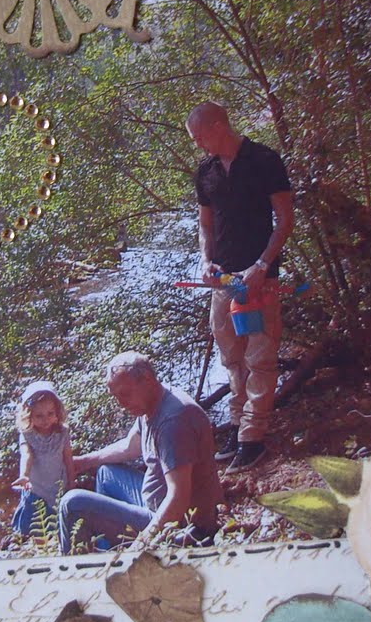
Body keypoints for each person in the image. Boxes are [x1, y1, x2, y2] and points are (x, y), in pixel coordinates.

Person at [187, 102, 294, 471]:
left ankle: (253, 438)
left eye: (200, 136)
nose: (198, 144)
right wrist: (206, 261)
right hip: (224, 282)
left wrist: (262, 265)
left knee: (260, 358)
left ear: (219, 126)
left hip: (261, 279)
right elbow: (205, 225)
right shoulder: (206, 172)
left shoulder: (264, 160)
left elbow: (285, 219)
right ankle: (237, 426)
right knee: (232, 358)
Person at [58, 352, 223, 553]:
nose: (121, 404)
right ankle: (107, 549)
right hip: (154, 501)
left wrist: (141, 544)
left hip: (179, 526)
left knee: (73, 504)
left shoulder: (174, 422)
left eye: (125, 394)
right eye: (116, 397)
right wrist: (83, 462)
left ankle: (86, 564)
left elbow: (178, 499)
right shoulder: (153, 402)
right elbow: (130, 446)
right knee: (106, 474)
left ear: (147, 380)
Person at [9, 380, 76, 536]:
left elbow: (68, 458)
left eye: (50, 414)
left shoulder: (62, 432)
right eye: (39, 416)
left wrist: (72, 481)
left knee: (56, 518)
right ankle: (23, 538)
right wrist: (24, 475)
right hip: (36, 487)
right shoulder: (28, 434)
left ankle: (54, 538)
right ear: (28, 415)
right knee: (32, 521)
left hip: (57, 484)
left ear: (57, 412)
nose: (45, 420)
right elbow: (27, 455)